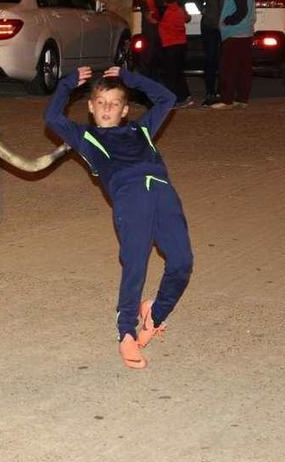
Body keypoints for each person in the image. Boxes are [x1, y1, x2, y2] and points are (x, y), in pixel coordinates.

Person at [45, 66, 193, 369]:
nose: (107, 108)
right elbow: (53, 118)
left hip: (164, 194)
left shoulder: (142, 129)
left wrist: (132, 78)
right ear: (90, 107)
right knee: (136, 264)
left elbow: (167, 98)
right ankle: (125, 331)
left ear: (125, 110)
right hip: (130, 198)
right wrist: (68, 84)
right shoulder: (85, 136)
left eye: (114, 103)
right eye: (100, 102)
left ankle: (155, 313)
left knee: (182, 262)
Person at [210, 0, 255, 109]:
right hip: (244, 33)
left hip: (235, 33)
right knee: (243, 68)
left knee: (228, 68)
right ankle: (242, 99)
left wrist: (227, 21)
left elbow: (242, 11)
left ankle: (227, 100)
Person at [138, 0, 189, 80]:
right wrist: (148, 13)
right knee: (150, 57)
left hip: (171, 30)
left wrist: (181, 11)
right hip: (153, 26)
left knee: (173, 64)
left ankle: (176, 90)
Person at [194, 0, 229, 106]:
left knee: (221, 59)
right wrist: (204, 11)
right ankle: (211, 91)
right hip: (211, 24)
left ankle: (219, 91)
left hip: (222, 24)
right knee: (211, 59)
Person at [157, 0, 193, 108]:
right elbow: (188, 18)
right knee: (179, 73)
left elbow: (152, 18)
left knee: (171, 75)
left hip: (169, 46)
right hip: (182, 45)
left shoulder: (163, 12)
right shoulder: (180, 10)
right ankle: (186, 97)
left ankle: (173, 100)